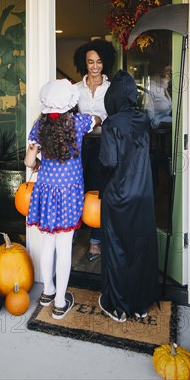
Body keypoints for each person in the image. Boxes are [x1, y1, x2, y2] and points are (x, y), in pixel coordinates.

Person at [24, 79, 95, 320]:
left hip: (45, 190)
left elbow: (29, 163)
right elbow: (98, 120)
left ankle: (47, 292)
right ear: (69, 103)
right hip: (69, 193)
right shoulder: (79, 122)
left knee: (48, 244)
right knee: (65, 247)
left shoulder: (39, 127)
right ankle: (60, 303)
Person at [98, 70, 159, 323]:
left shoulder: (110, 124)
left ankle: (117, 307)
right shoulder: (144, 119)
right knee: (139, 249)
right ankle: (140, 305)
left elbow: (108, 162)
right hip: (143, 195)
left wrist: (99, 188)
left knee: (116, 251)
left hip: (118, 196)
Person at [73, 38, 116, 261]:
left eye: (99, 62)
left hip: (103, 144)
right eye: (90, 62)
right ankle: (71, 231)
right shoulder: (75, 89)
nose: (95, 66)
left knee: (98, 192)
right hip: (80, 145)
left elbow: (117, 118)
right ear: (85, 63)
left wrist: (102, 120)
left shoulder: (111, 88)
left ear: (104, 62)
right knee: (78, 187)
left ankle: (96, 241)